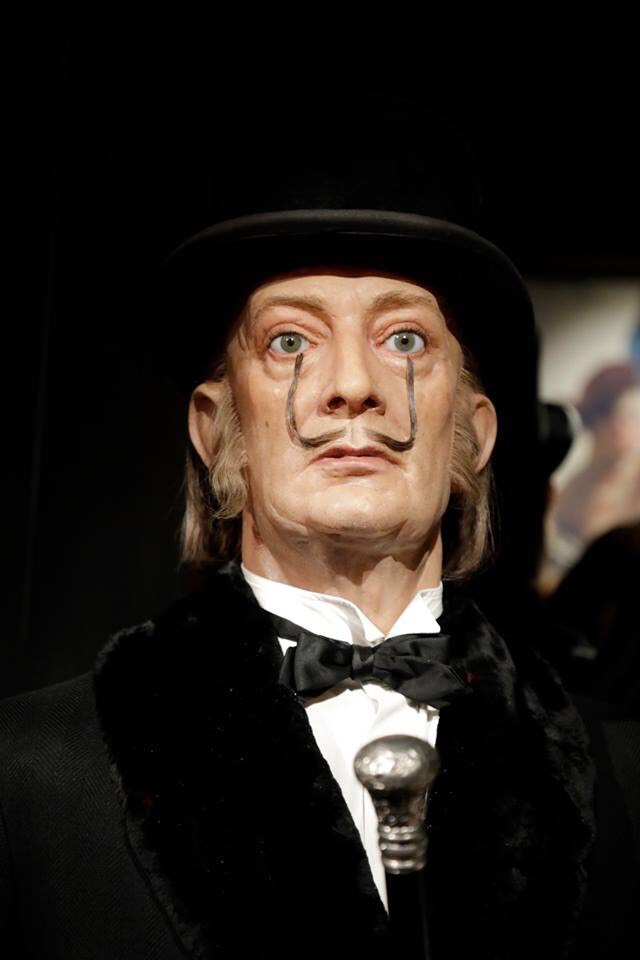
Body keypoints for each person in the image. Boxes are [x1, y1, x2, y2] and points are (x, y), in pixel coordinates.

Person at [0, 93, 636, 959]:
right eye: (291, 343)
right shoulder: (32, 777)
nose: (352, 386)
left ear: (473, 433)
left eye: (404, 340)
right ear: (215, 429)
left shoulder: (621, 774)